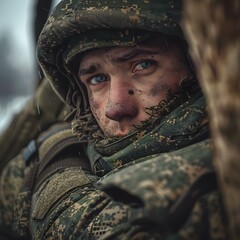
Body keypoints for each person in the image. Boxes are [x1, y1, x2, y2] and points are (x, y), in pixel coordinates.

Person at [0, 0, 228, 239]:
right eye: (98, 79)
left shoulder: (225, 163)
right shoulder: (70, 146)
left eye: (143, 65)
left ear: (200, 67)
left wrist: (55, 173)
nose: (115, 107)